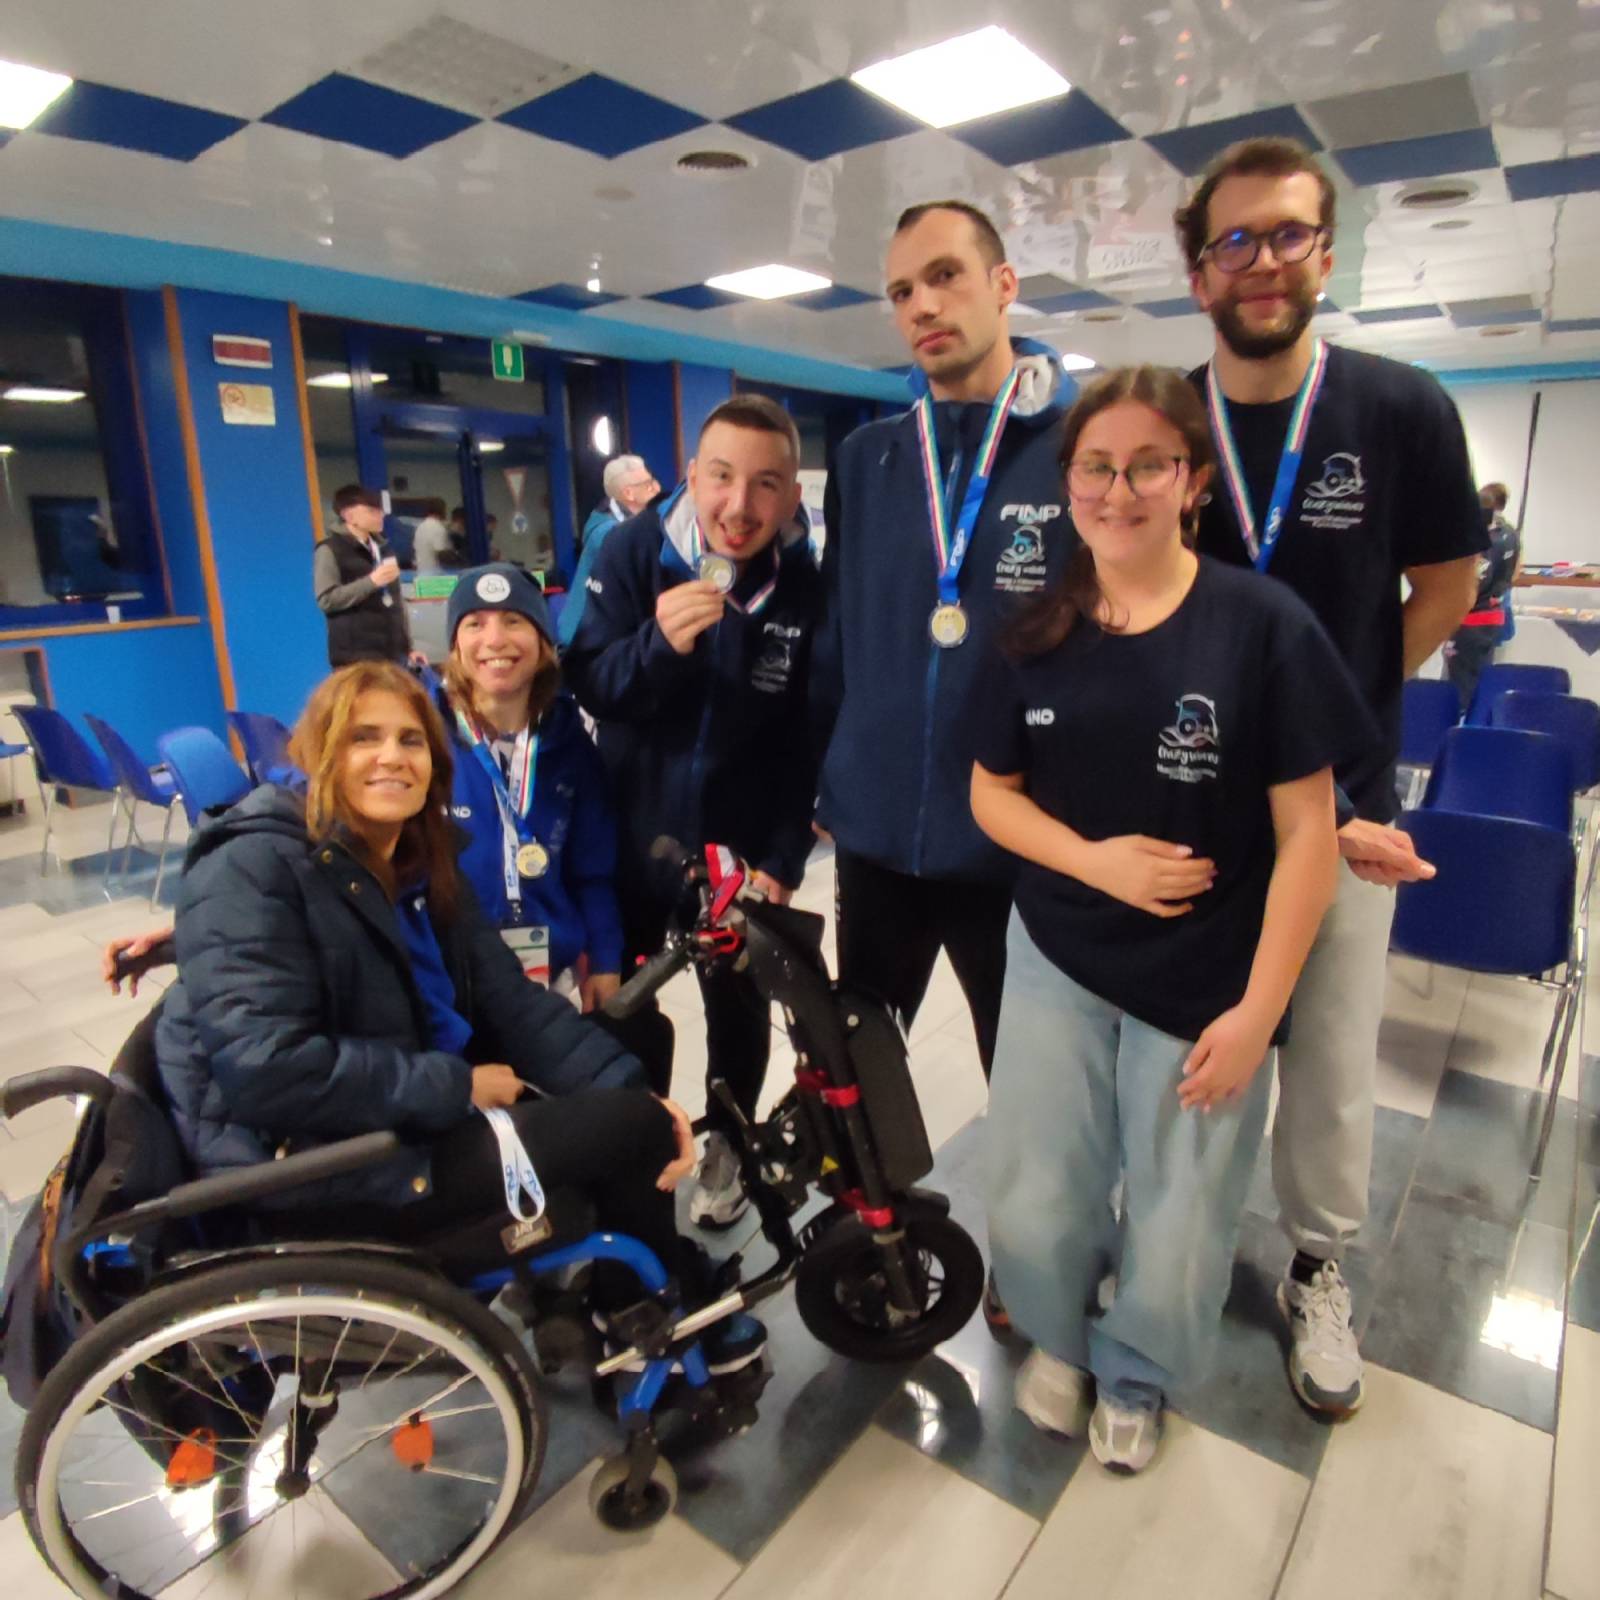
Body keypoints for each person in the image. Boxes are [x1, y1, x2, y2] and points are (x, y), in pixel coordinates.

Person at [975, 366, 1373, 1473]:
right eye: (1096, 467)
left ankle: (1137, 1370)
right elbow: (991, 794)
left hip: (1207, 971)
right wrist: (1093, 862)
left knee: (1183, 1202)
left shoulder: (1262, 626)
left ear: (1192, 480)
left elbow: (1308, 837)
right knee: (1038, 1187)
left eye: (1148, 465)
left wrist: (1258, 1013)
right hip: (1059, 951)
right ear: (1067, 481)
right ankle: (1060, 1335)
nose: (1118, 490)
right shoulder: (1034, 627)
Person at [148, 659, 765, 1364]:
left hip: (391, 1105)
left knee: (636, 1040)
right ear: (319, 753)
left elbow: (509, 999)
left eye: (410, 740)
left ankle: (619, 1289)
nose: (391, 756)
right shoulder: (251, 866)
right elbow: (269, 1071)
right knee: (629, 1130)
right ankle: (649, 1303)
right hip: (323, 1162)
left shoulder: (414, 857)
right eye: (363, 737)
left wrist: (639, 1093)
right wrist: (459, 1086)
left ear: (433, 766)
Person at [1178, 136, 1483, 1415]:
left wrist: (1329, 712)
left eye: (1288, 234)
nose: (1263, 260)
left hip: (1347, 799)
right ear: (1199, 270)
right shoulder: (1165, 419)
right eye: (1234, 239)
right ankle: (1181, 1247)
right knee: (1199, 1040)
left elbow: (1447, 587)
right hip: (1194, 798)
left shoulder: (1400, 408)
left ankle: (1316, 1264)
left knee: (1332, 1056)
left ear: (1325, 252)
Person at [816, 201, 1076, 1081]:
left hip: (1019, 843)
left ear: (1004, 285)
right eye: (900, 291)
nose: (922, 305)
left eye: (944, 276)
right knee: (863, 1086)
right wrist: (830, 775)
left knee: (1032, 1090)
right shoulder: (867, 459)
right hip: (878, 838)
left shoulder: (1079, 452)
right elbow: (837, 635)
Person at [564, 396, 821, 1229]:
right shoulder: (633, 552)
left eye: (766, 484)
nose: (739, 506)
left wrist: (781, 856)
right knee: (622, 1007)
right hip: (632, 840)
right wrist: (658, 646)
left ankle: (729, 1150)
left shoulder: (803, 584)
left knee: (737, 1010)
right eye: (721, 477)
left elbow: (803, 736)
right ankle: (632, 1153)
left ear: (791, 496)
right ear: (690, 475)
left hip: (735, 852)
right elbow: (590, 683)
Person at [440, 562, 624, 1013]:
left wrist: (604, 958)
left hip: (546, 979)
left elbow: (593, 870)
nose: (495, 640)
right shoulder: (424, 738)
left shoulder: (571, 746)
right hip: (447, 984)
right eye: (475, 624)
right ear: (455, 646)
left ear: (543, 644)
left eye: (513, 620)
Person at [313, 485, 422, 669]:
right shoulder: (330, 550)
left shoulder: (384, 549)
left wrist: (408, 648)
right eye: (371, 511)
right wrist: (371, 582)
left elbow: (397, 602)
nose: (380, 516)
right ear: (349, 516)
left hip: (392, 654)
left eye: (380, 511)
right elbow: (327, 599)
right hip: (355, 656)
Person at [558, 456, 661, 649]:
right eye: (648, 484)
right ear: (629, 493)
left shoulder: (622, 525)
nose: (657, 488)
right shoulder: (607, 534)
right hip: (583, 644)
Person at [1444, 483, 1523, 711]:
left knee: (1460, 688)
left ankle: (1461, 726)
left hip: (1471, 619)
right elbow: (1515, 572)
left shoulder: (1483, 539)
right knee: (1480, 681)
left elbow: (1475, 583)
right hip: (1494, 616)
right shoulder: (1511, 534)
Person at [411, 497, 455, 574]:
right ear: (442, 510)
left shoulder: (420, 527)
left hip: (421, 572)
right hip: (435, 574)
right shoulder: (438, 528)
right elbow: (442, 554)